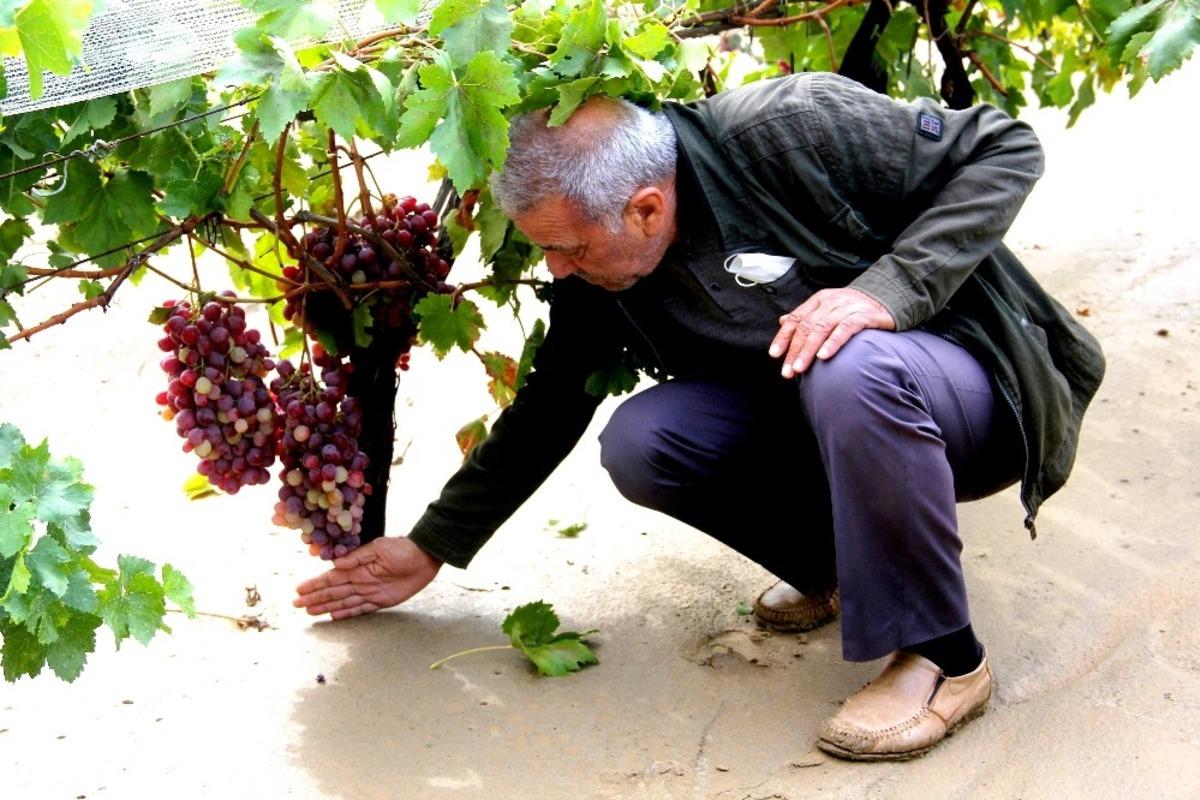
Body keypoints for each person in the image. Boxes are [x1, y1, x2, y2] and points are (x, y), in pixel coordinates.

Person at [294, 72, 1105, 761]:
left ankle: (945, 655)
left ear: (646, 209)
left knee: (846, 360)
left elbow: (1006, 147)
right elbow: (551, 405)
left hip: (972, 395)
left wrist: (884, 292)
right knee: (644, 441)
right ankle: (843, 567)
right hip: (833, 422)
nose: (555, 269)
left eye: (569, 250)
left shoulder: (792, 127)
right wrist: (435, 545)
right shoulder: (597, 264)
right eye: (544, 249)